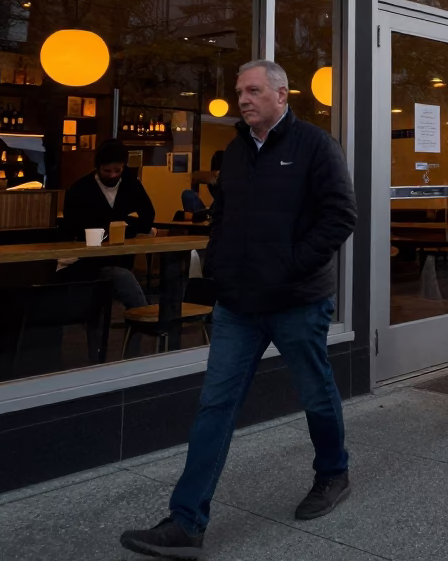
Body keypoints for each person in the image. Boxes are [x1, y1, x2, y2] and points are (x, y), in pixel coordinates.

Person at [120, 60, 358, 559]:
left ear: (282, 95)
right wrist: (220, 266)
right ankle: (187, 522)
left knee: (316, 395)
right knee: (215, 406)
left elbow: (341, 216)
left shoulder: (315, 146)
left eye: (252, 91)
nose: (242, 99)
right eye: (238, 92)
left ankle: (333, 474)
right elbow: (223, 216)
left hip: (296, 301)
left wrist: (291, 265)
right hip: (239, 305)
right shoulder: (233, 152)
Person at [60, 139, 153, 309]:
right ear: (97, 167)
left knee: (121, 279)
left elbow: (148, 216)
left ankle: (144, 322)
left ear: (124, 166)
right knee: (119, 281)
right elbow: (72, 225)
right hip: (90, 261)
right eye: (107, 170)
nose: (112, 175)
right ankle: (145, 319)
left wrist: (128, 227)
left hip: (121, 257)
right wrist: (125, 225)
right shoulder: (80, 189)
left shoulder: (131, 185)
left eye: (117, 170)